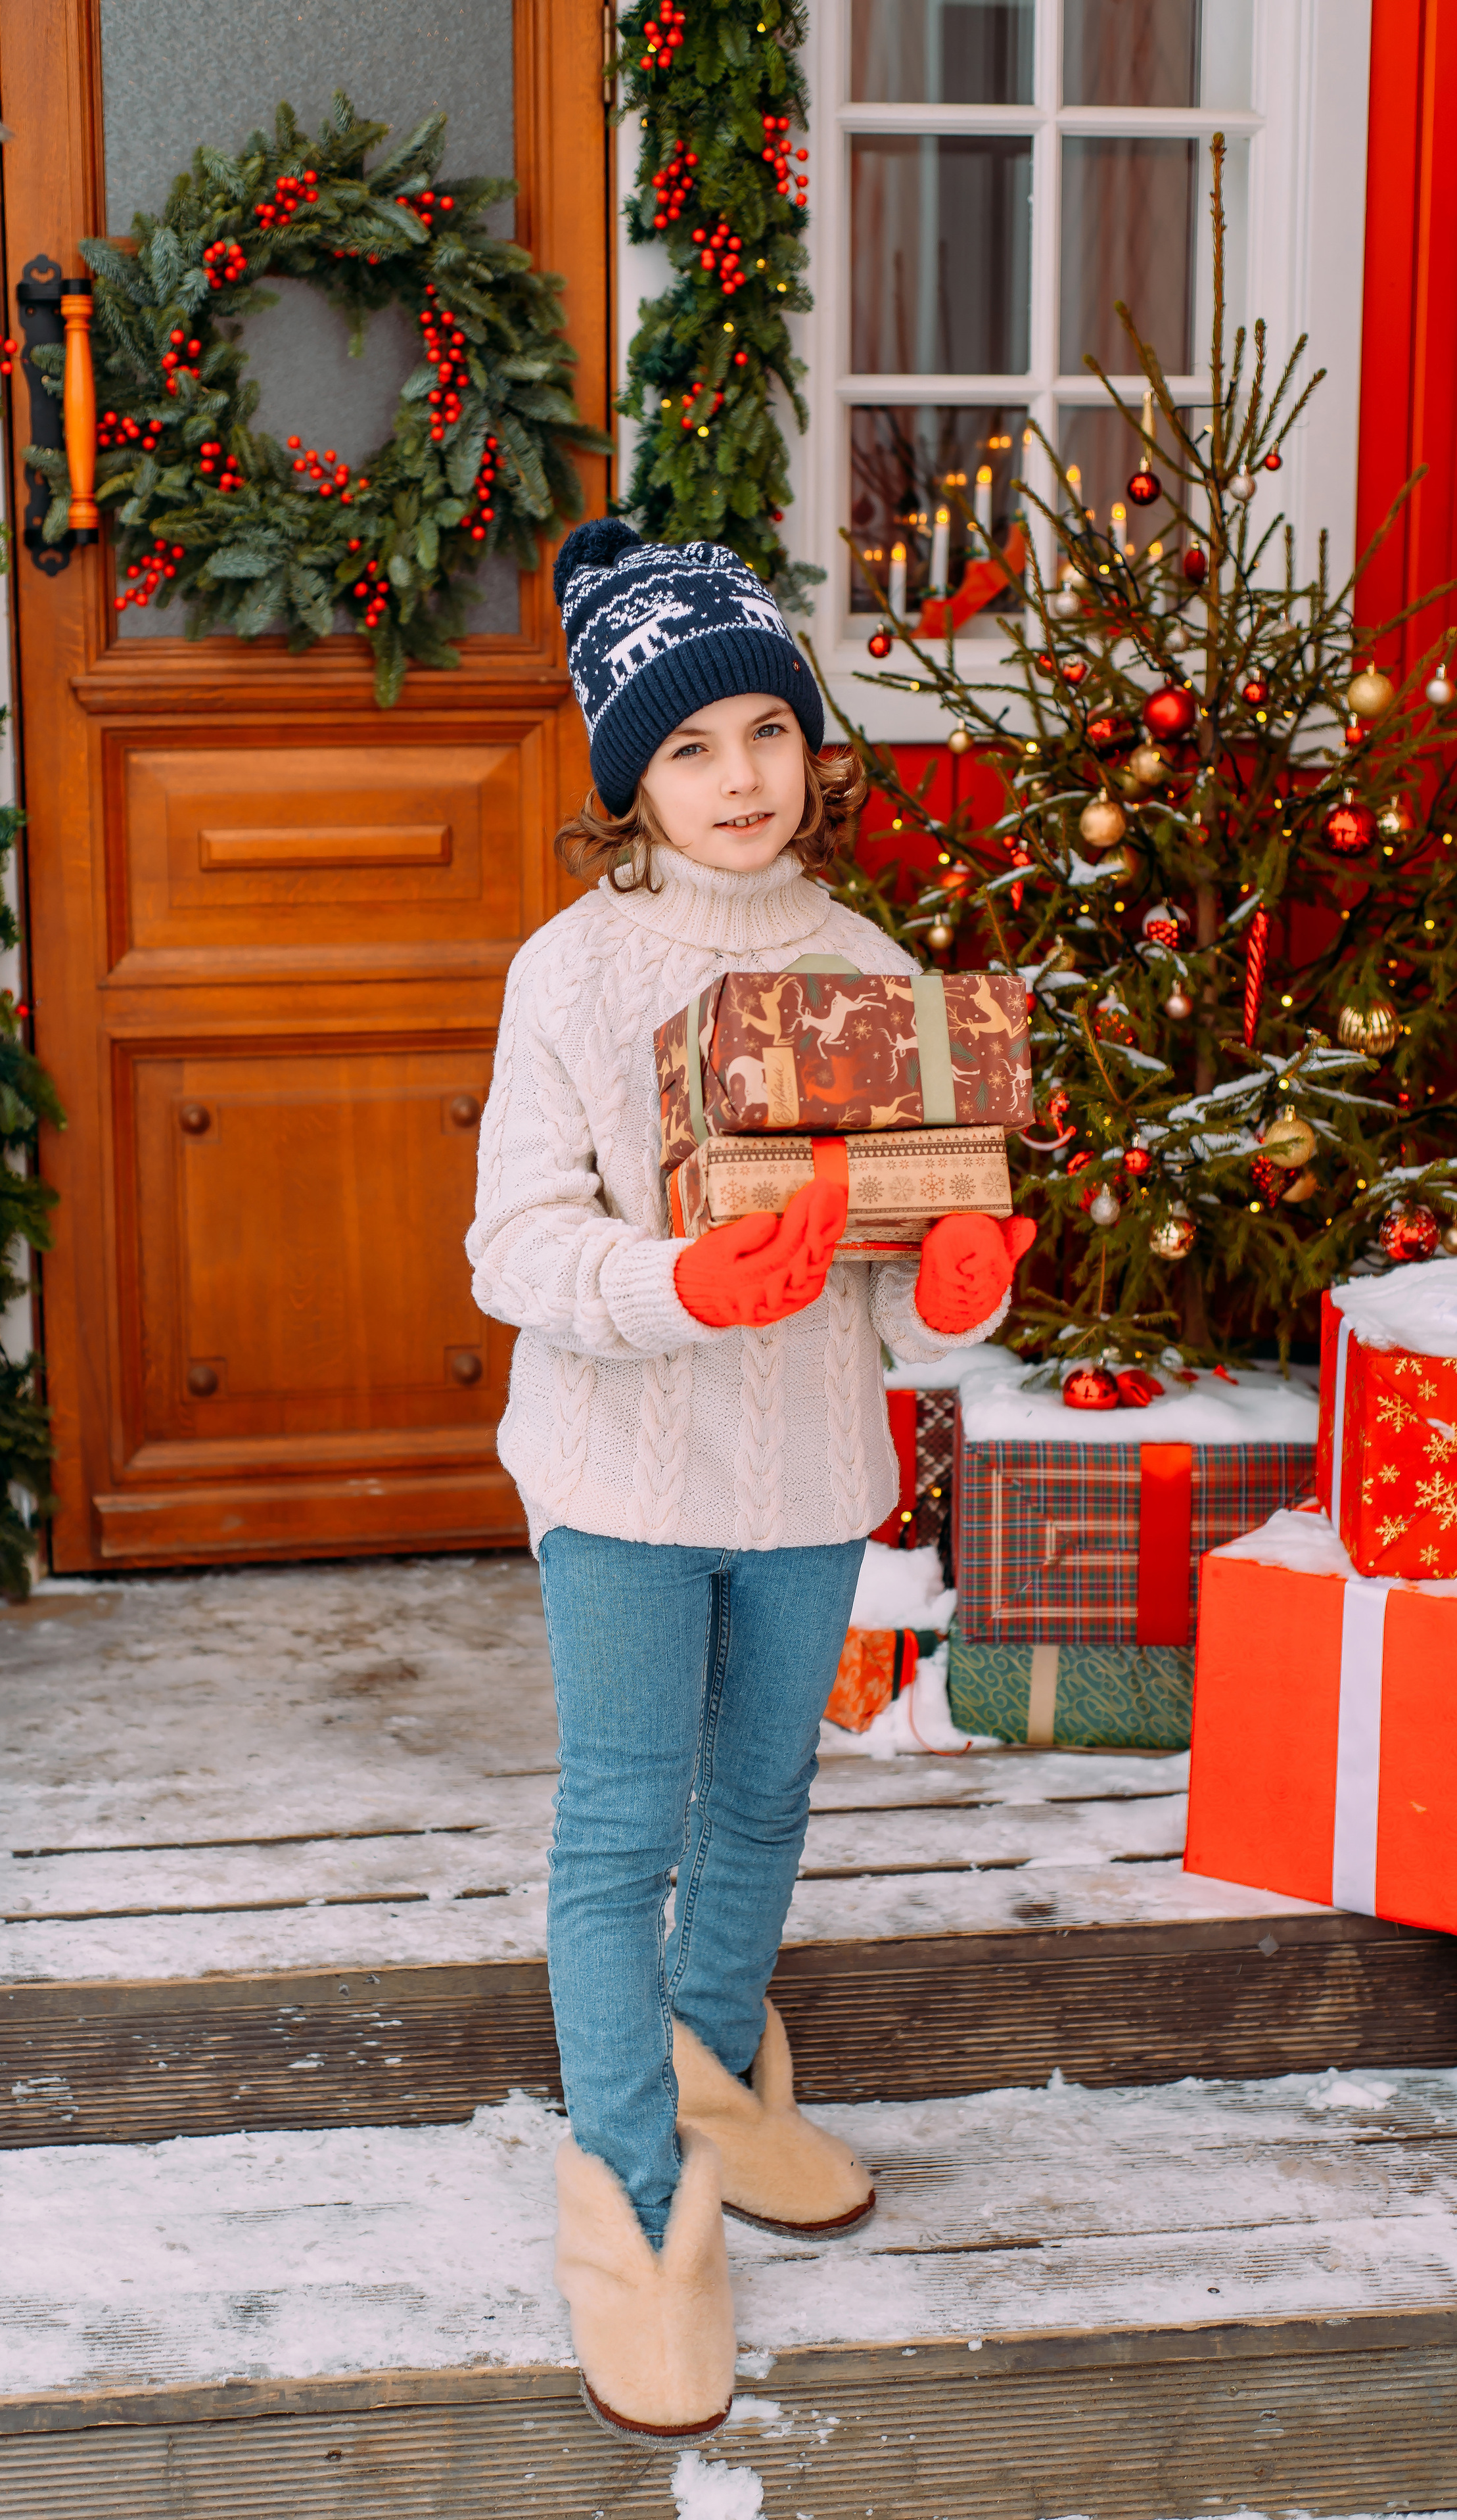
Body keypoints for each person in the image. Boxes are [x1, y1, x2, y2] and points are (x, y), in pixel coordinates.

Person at [466, 519, 1030, 2443]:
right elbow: (517, 1248)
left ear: (811, 747)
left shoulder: (866, 967)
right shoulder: (573, 971)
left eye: (768, 736)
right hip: (620, 1474)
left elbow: (909, 1279)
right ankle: (635, 2197)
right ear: (632, 773)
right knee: (623, 1830)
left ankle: (716, 2068)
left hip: (804, 1474)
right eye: (692, 748)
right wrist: (678, 1280)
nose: (740, 781)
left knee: (771, 1793)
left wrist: (951, 1281)